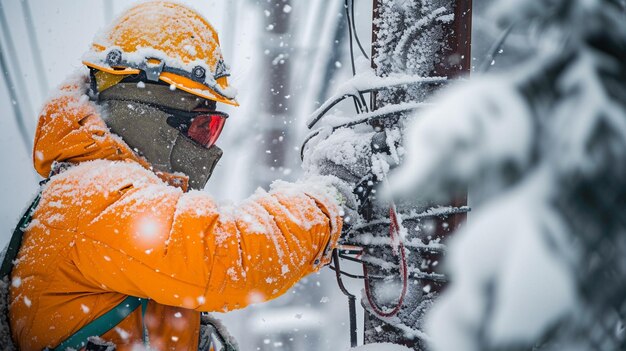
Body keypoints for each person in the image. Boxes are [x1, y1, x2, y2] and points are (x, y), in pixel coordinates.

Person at [5, 2, 355, 350]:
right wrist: (330, 203)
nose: (207, 147)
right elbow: (224, 258)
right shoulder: (94, 196)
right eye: (203, 127)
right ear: (143, 114)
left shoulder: (88, 197)